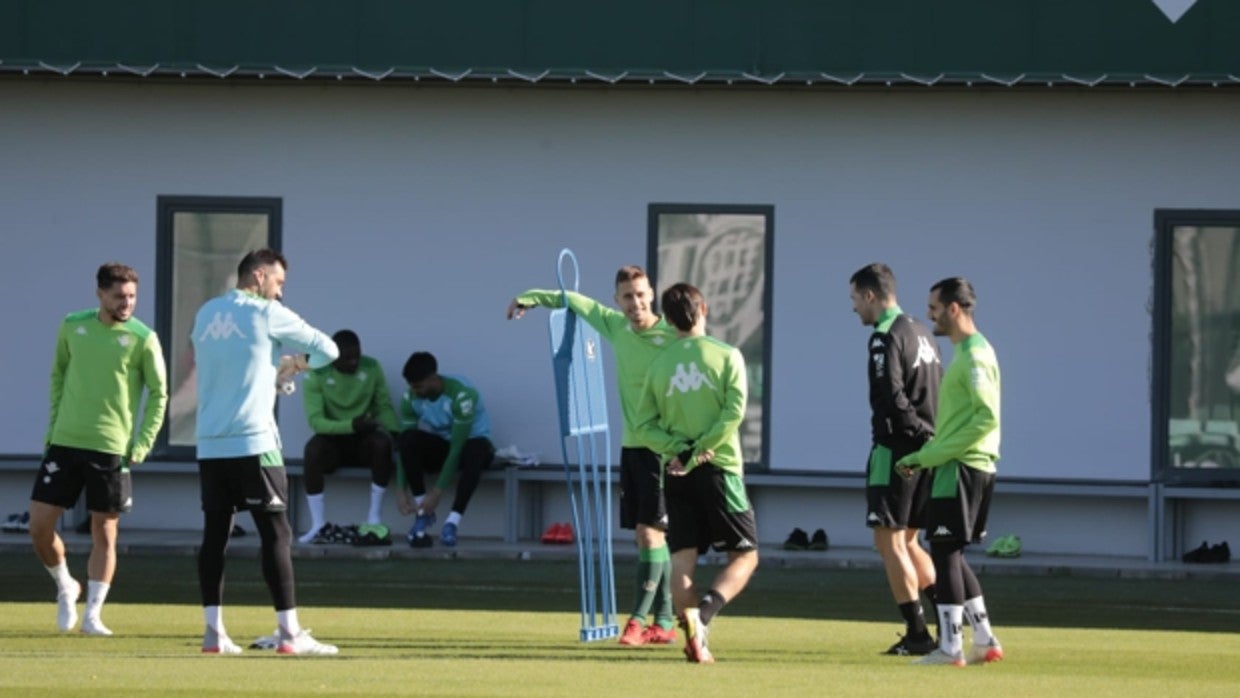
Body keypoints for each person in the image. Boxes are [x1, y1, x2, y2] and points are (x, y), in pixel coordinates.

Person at [507, 265, 680, 646]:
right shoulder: (616, 327)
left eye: (640, 294)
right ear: (617, 300)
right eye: (627, 297)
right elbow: (574, 300)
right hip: (632, 447)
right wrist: (530, 297)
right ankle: (664, 620)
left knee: (650, 534)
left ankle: (636, 621)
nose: (635, 303)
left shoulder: (672, 335)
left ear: (651, 293)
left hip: (664, 449)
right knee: (647, 536)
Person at [191, 248, 340, 655]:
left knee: (214, 536)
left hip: (210, 444)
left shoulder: (205, 314)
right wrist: (297, 362)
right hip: (255, 442)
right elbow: (330, 350)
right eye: (278, 283)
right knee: (277, 534)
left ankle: (213, 634)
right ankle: (289, 634)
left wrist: (274, 368)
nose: (279, 293)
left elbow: (237, 365)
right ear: (259, 277)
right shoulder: (265, 312)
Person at [28, 262, 168, 636]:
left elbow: (159, 393)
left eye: (132, 297)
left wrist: (143, 442)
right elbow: (58, 376)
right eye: (119, 296)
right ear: (100, 294)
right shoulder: (73, 325)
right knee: (39, 527)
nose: (127, 303)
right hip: (65, 441)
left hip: (111, 448)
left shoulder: (143, 337)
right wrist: (52, 429)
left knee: (104, 531)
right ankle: (64, 585)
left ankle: (93, 614)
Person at [633, 282, 758, 664]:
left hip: (675, 472)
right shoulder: (727, 355)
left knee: (683, 556)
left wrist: (678, 452)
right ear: (703, 308)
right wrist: (701, 449)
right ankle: (702, 618)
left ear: (668, 320)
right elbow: (733, 413)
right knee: (746, 556)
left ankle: (696, 643)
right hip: (719, 467)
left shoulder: (658, 364)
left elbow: (645, 425)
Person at [896, 277, 1004, 667]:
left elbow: (984, 418)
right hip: (957, 464)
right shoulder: (969, 352)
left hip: (962, 467)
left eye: (935, 308)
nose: (930, 316)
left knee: (943, 552)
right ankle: (986, 639)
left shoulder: (975, 356)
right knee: (951, 553)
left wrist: (927, 456)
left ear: (954, 308)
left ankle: (951, 647)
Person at [848, 263, 941, 656]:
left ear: (871, 295)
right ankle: (951, 620)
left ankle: (918, 633)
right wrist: (929, 439)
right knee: (909, 539)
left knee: (889, 542)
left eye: (854, 299)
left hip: (896, 449)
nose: (853, 308)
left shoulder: (884, 336)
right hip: (927, 450)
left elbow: (892, 394)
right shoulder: (922, 332)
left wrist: (913, 432)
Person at [298, 329, 400, 544]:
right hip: (334, 439)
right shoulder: (316, 372)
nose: (354, 362)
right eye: (348, 358)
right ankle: (318, 524)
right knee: (312, 450)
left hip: (363, 439)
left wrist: (396, 434)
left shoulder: (372, 367)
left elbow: (383, 406)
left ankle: (374, 519)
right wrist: (351, 425)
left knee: (383, 444)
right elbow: (316, 422)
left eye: (357, 356)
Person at [397, 351, 494, 548]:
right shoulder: (410, 398)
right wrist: (400, 489)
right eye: (411, 386)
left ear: (433, 379)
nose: (414, 391)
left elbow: (457, 448)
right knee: (407, 439)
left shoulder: (462, 395)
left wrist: (437, 493)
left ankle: (452, 522)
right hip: (445, 445)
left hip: (472, 444)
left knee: (475, 451)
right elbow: (403, 446)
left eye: (418, 386)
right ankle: (423, 513)